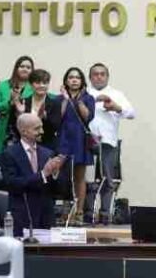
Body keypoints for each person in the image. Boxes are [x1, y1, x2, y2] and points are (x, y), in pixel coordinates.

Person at [0, 113, 66, 236]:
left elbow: (60, 190)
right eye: (36, 128)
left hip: (46, 217)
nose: (41, 131)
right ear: (24, 131)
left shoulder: (48, 153)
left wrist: (55, 174)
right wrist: (42, 174)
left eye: (41, 127)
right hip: (22, 216)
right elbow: (12, 184)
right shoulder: (9, 154)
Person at [86, 63, 135, 225]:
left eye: (102, 74)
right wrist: (94, 100)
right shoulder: (84, 93)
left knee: (108, 180)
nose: (99, 77)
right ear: (90, 77)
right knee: (89, 181)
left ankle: (106, 215)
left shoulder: (116, 94)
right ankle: (88, 215)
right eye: (95, 74)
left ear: (107, 77)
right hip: (86, 142)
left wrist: (115, 106)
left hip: (108, 142)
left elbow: (131, 113)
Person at [57, 67, 95, 226]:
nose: (74, 80)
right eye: (71, 77)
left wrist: (78, 100)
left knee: (79, 177)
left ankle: (79, 212)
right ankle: (66, 212)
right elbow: (58, 116)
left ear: (82, 81)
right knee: (64, 177)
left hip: (80, 139)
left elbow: (88, 117)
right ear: (66, 81)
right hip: (64, 139)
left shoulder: (88, 97)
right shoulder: (60, 98)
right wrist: (65, 98)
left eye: (77, 78)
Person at [0, 56, 34, 155]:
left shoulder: (34, 87)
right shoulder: (3, 86)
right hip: (6, 131)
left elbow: (46, 99)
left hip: (27, 131)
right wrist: (9, 103)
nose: (25, 69)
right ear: (16, 68)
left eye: (28, 67)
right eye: (22, 66)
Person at [19, 69, 62, 150]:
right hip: (25, 146)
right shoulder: (23, 102)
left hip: (47, 146)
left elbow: (56, 127)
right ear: (31, 84)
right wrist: (19, 113)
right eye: (38, 83)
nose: (41, 85)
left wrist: (45, 117)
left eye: (44, 83)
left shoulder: (55, 103)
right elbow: (15, 126)